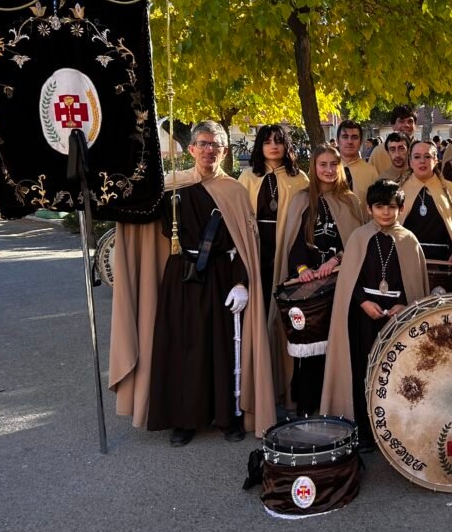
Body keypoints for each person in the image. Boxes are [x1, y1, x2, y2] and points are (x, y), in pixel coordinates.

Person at [110, 120, 275, 446]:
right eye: (203, 143)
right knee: (181, 347)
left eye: (215, 145)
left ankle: (228, 416)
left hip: (221, 277)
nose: (208, 150)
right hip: (180, 277)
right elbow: (138, 212)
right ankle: (183, 420)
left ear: (224, 151)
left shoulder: (234, 191)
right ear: (191, 149)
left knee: (223, 347)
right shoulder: (172, 185)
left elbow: (245, 244)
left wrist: (241, 282)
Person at [319, 179, 428, 445]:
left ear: (401, 208)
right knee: (363, 370)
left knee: (396, 373)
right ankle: (365, 431)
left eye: (391, 207)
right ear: (369, 208)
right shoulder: (359, 237)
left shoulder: (409, 240)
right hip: (364, 316)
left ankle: (394, 431)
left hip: (397, 318)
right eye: (379, 207)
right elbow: (349, 281)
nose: (386, 212)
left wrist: (405, 304)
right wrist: (363, 302)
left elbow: (415, 283)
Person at [279, 145, 365, 414]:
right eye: (323, 164)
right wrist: (303, 269)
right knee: (311, 348)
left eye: (333, 164)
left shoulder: (350, 201)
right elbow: (294, 241)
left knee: (340, 344)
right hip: (310, 285)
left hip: (342, 282)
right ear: (314, 167)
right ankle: (308, 405)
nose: (328, 170)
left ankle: (338, 405)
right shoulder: (302, 200)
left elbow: (357, 242)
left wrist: (336, 261)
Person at [237, 124, 309, 405]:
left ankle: (285, 386)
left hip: (286, 252)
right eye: (267, 141)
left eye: (279, 141)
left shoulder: (298, 178)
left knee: (282, 317)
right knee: (256, 314)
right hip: (257, 251)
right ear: (260, 146)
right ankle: (257, 384)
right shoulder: (248, 177)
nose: (273, 146)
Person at [398, 140, 452, 266]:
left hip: (444, 261)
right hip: (408, 258)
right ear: (410, 162)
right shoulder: (400, 190)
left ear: (436, 160)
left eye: (427, 156)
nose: (422, 161)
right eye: (417, 157)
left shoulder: (449, 189)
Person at [336, 119, 378, 211]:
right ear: (337, 140)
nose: (350, 141)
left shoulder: (371, 172)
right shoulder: (327, 170)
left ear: (360, 142)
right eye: (345, 137)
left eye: (354, 137)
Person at [369, 105, 417, 174]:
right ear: (393, 125)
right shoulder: (378, 153)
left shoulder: (423, 150)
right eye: (401, 121)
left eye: (410, 121)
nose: (406, 125)